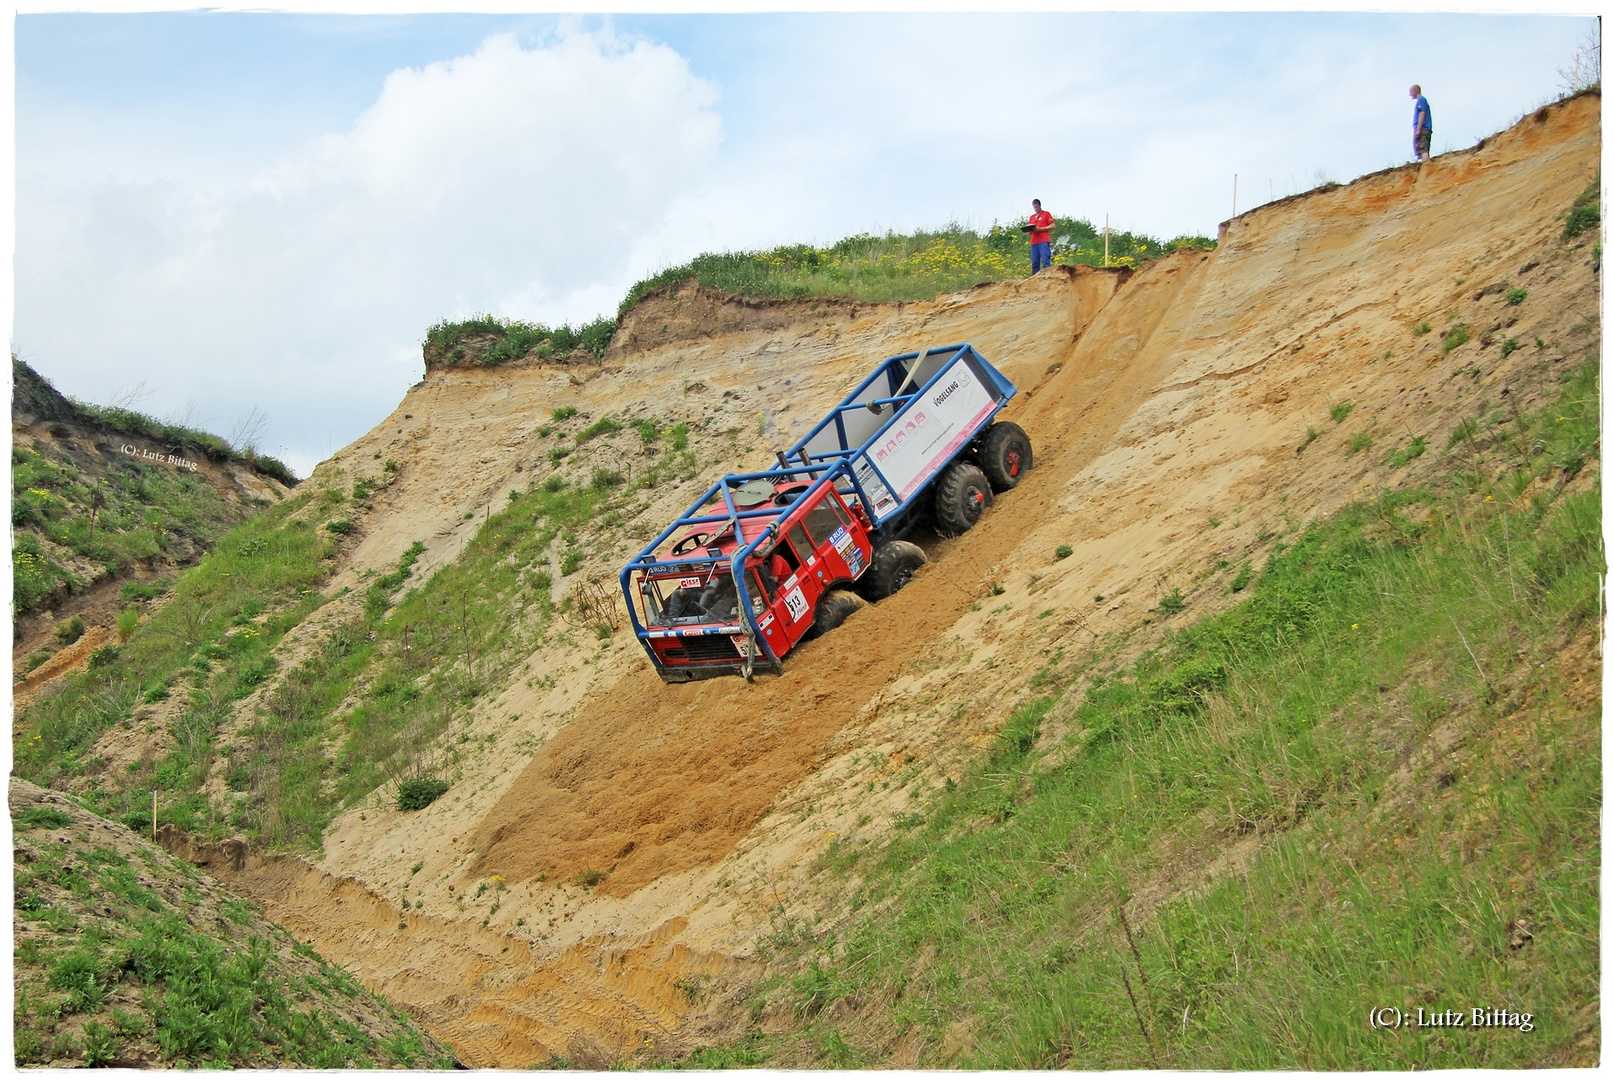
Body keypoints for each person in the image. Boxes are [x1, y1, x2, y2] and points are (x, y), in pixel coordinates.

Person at [1026, 199, 1055, 273]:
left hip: (1043, 241)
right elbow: (1030, 232)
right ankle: (1035, 280)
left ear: (1039, 205)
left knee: (1045, 261)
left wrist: (1041, 229)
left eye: (1036, 207)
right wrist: (1029, 229)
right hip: (1034, 242)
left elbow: (1053, 226)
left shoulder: (1046, 214)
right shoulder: (1032, 217)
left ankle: (1049, 277)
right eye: (1034, 207)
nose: (1035, 209)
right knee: (1035, 263)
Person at [1410, 85, 1433, 163]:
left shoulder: (1421, 100)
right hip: (1425, 129)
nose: (1410, 95)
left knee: (1423, 150)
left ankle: (1426, 167)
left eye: (1410, 92)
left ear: (1415, 91)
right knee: (1423, 149)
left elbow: (1422, 113)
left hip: (1423, 129)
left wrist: (1418, 129)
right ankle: (1426, 166)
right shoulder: (1422, 100)